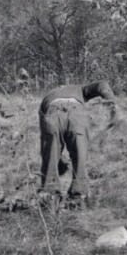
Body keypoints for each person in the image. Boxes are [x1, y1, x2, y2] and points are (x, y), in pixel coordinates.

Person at [38, 80, 116, 209]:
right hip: (76, 113)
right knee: (80, 157)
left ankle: (50, 200)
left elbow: (46, 145)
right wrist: (112, 103)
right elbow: (102, 84)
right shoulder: (80, 88)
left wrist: (59, 161)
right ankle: (78, 199)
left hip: (52, 111)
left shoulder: (47, 96)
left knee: (50, 158)